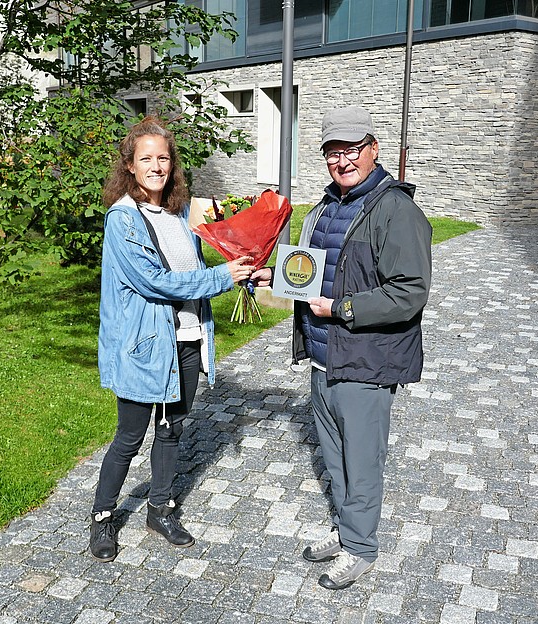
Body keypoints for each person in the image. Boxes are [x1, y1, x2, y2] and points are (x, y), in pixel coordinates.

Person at [252, 106, 432, 590]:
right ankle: (348, 530)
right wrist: (275, 276)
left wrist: (342, 309)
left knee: (362, 459)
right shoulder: (325, 208)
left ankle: (360, 548)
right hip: (322, 355)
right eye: (333, 151)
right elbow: (311, 273)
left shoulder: (396, 211)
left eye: (352, 149)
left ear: (374, 148)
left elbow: (409, 291)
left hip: (366, 360)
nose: (342, 159)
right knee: (335, 458)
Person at [90, 117, 255, 561]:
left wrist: (244, 264)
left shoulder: (179, 213)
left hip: (186, 337)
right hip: (144, 345)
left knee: (171, 428)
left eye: (163, 158)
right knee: (130, 436)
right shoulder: (123, 220)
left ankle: (160, 508)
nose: (156, 166)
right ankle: (103, 517)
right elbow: (155, 282)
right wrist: (223, 277)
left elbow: (193, 270)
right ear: (129, 165)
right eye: (146, 158)